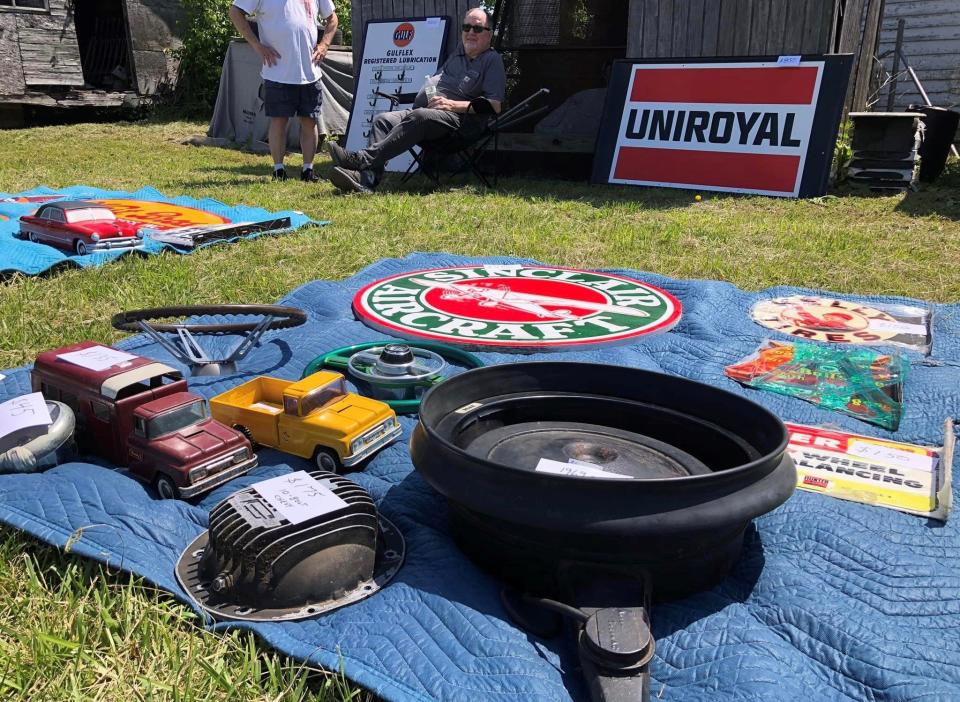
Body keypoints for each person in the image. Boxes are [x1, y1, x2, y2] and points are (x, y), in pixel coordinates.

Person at [327, 8, 506, 194]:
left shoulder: (492, 60)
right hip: (429, 114)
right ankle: (367, 178)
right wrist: (427, 94)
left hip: (460, 125)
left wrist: (451, 105)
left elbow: (494, 105)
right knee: (383, 120)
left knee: (420, 116)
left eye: (477, 29)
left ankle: (360, 159)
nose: (470, 33)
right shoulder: (458, 54)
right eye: (466, 27)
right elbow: (436, 81)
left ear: (489, 33)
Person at [229, 0, 338, 182]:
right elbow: (235, 12)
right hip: (277, 71)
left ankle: (307, 171)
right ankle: (278, 170)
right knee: (279, 121)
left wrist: (324, 44)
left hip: (309, 71)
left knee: (309, 122)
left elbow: (332, 18)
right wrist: (257, 45)